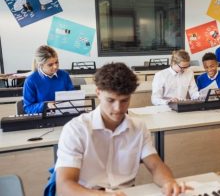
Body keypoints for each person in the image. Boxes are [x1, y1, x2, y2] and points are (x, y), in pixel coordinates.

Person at [55, 63, 189, 196]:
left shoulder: (139, 127)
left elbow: (155, 165)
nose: (118, 109)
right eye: (110, 100)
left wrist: (168, 182)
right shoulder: (76, 129)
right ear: (98, 93)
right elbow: (64, 186)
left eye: (124, 100)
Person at [23, 45, 74, 114]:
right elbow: (28, 108)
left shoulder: (64, 75)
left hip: (64, 115)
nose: (55, 66)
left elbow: (73, 98)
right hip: (43, 119)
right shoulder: (30, 81)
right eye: (50, 65)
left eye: (56, 62)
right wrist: (46, 105)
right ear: (40, 65)